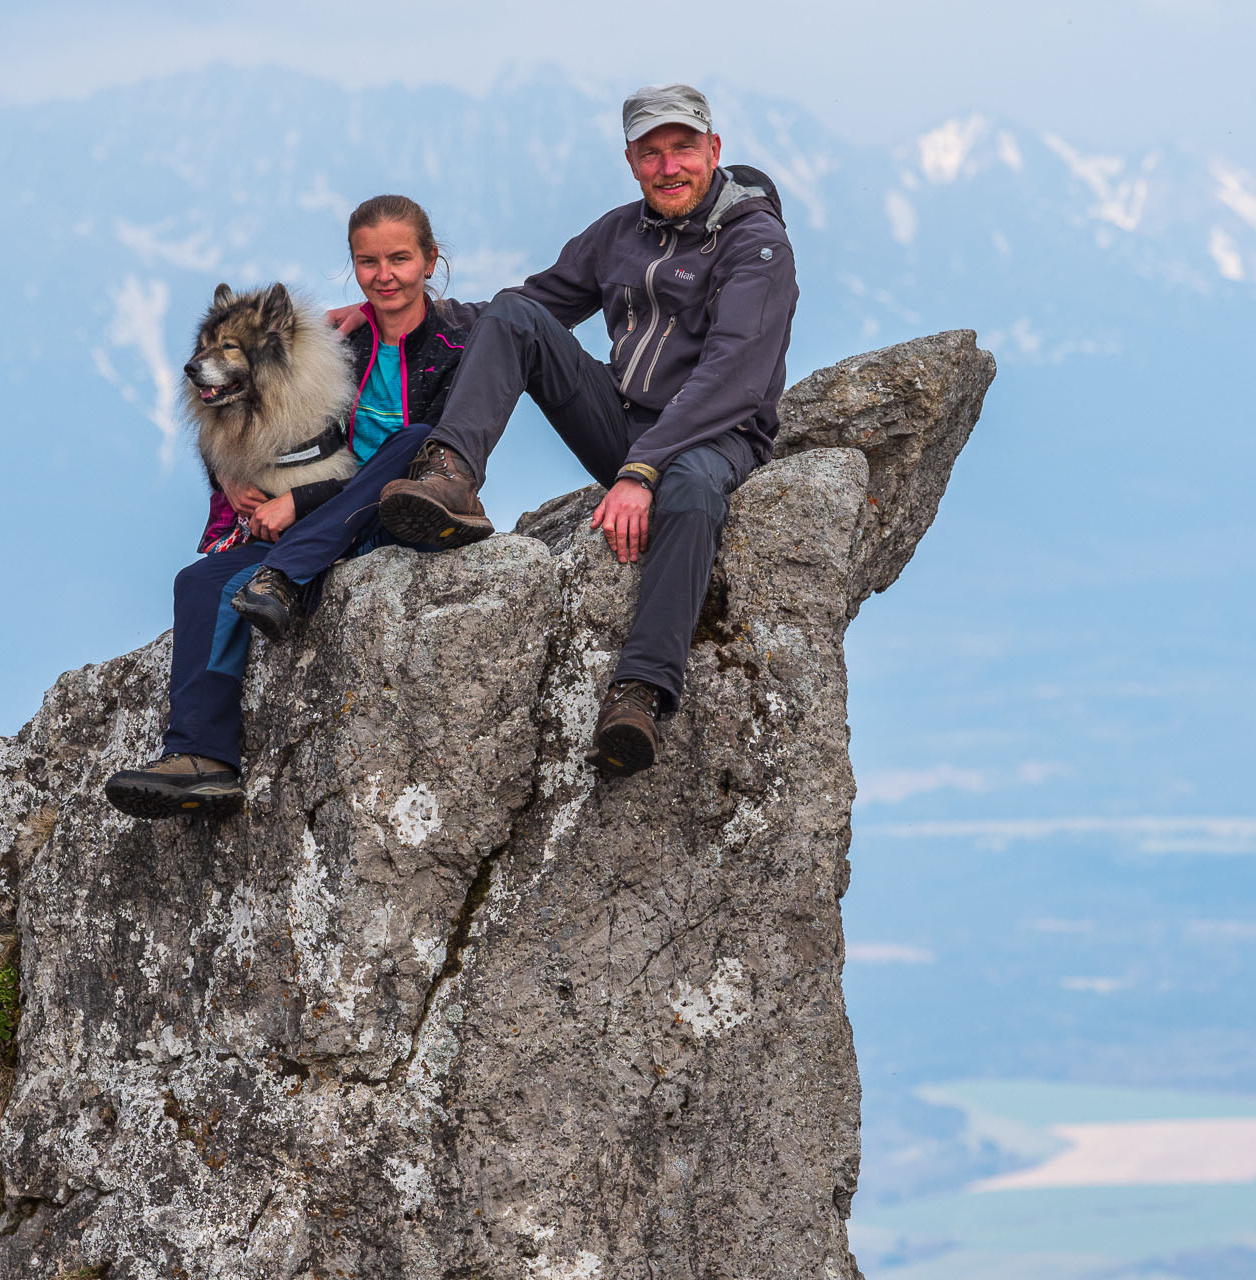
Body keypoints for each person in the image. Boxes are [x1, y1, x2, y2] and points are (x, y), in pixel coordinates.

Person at [373, 84, 798, 777]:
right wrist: (399, 309)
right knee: (513, 314)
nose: (669, 167)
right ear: (631, 160)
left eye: (683, 149)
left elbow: (733, 379)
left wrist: (642, 471)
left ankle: (639, 694)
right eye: (651, 153)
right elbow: (526, 312)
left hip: (717, 435)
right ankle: (449, 474)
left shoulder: (757, 246)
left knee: (689, 490)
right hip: (624, 421)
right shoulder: (617, 233)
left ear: (714, 150)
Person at [104, 195, 474, 819]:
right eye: (367, 261)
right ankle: (202, 758)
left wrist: (299, 502)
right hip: (301, 528)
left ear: (431, 261)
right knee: (200, 584)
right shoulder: (337, 344)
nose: (384, 274)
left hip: (391, 514)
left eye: (399, 259)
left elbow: (429, 456)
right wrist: (226, 476)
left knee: (414, 444)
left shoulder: (457, 344)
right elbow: (259, 433)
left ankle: (284, 571)